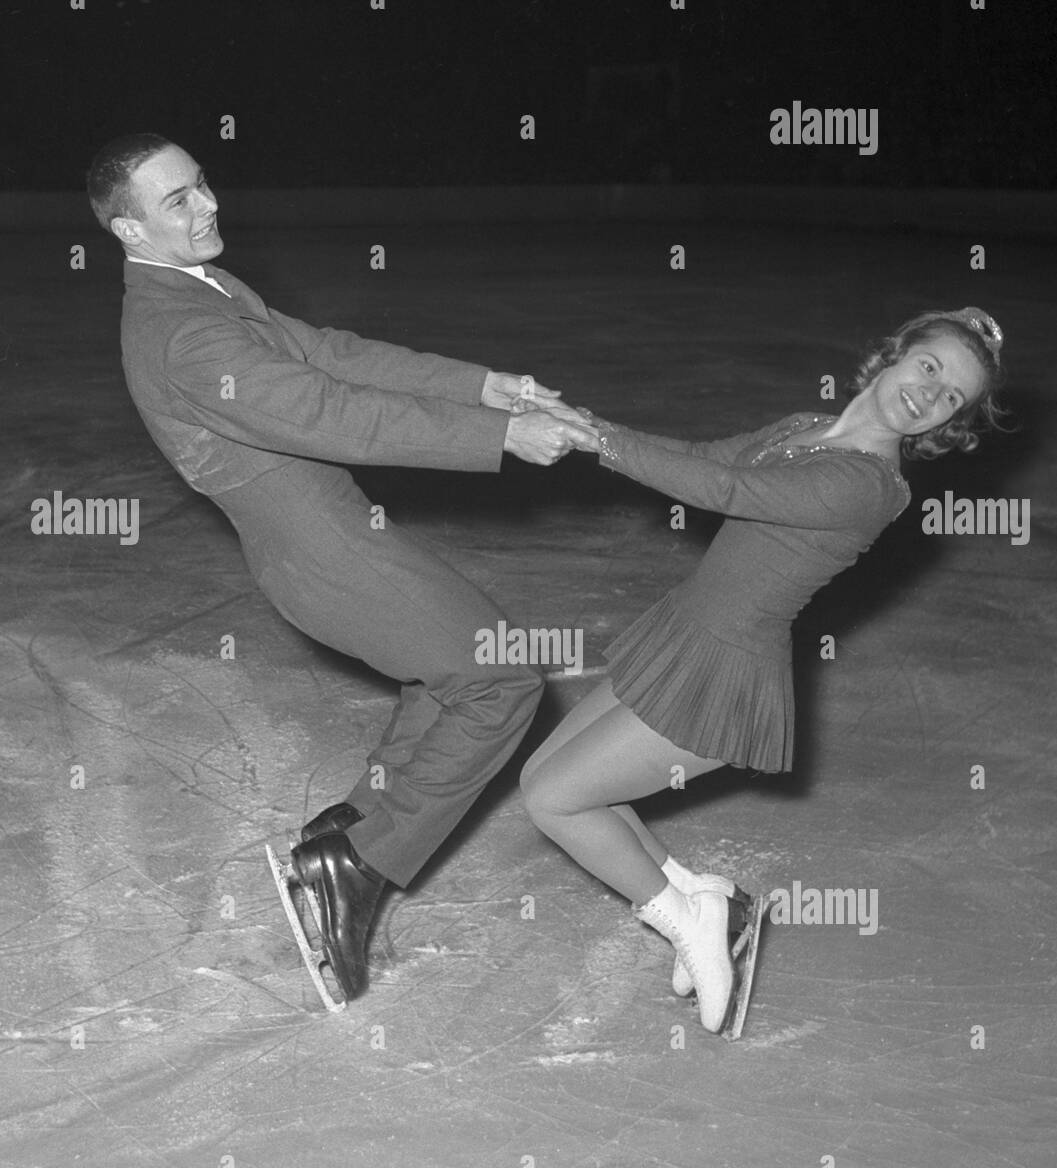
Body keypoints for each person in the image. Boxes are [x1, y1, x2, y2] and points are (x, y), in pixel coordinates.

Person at [86, 133, 598, 1006]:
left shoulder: (202, 286)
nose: (207, 205)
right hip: (319, 547)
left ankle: (350, 827)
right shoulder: (181, 333)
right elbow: (328, 412)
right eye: (176, 201)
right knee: (504, 677)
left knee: (453, 676)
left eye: (201, 184)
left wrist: (486, 387)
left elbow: (327, 352)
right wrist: (497, 437)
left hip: (330, 533)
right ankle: (359, 865)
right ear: (128, 230)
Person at [521, 309, 1005, 1034]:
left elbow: (725, 492)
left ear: (948, 423)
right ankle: (708, 901)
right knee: (548, 778)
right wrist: (587, 421)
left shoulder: (868, 486)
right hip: (681, 634)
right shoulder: (801, 425)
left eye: (949, 399)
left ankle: (687, 923)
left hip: (726, 673)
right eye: (929, 368)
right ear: (895, 354)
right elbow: (706, 455)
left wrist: (598, 442)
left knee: (556, 802)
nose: (928, 394)